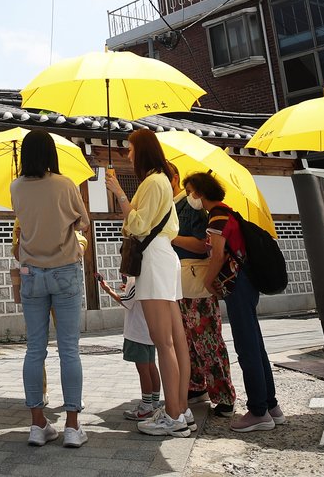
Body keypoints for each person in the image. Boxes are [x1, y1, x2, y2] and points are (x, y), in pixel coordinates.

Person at [104, 128, 193, 438]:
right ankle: (180, 408)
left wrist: (120, 195)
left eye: (130, 149)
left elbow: (139, 225)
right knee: (175, 340)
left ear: (141, 150)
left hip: (155, 261)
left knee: (164, 341)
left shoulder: (153, 182)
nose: (128, 154)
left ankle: (172, 415)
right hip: (163, 260)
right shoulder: (160, 181)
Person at [9, 129, 91, 447]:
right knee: (69, 349)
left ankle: (37, 425)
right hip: (65, 270)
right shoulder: (65, 184)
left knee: (34, 350)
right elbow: (83, 222)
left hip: (31, 273)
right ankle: (71, 426)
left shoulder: (16, 187)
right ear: (51, 154)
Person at [188, 171, 284, 432]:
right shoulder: (228, 212)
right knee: (255, 343)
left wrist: (208, 283)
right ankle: (270, 405)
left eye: (190, 191)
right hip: (246, 282)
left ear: (199, 191)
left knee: (246, 347)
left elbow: (217, 255)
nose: (189, 196)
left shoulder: (217, 217)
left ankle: (258, 411)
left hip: (236, 284)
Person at [168, 164, 236, 418]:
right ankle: (196, 385)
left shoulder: (198, 210)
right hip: (181, 278)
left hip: (198, 275)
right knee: (187, 338)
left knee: (207, 338)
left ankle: (223, 393)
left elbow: (201, 245)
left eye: (191, 190)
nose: (190, 195)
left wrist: (171, 237)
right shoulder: (174, 207)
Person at [99, 274, 161, 422]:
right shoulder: (149, 278)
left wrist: (107, 289)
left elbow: (126, 302)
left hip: (138, 332)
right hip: (149, 331)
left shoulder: (136, 281)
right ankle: (154, 402)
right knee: (152, 367)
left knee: (143, 370)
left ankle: (145, 407)